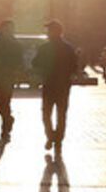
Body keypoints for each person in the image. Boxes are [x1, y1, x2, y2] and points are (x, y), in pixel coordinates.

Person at [33, 19, 76, 155]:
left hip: (49, 85)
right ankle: (57, 139)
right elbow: (74, 66)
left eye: (49, 30)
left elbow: (35, 63)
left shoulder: (45, 48)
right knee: (61, 114)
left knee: (46, 113)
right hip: (63, 86)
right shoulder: (68, 48)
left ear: (54, 32)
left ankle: (51, 136)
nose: (47, 32)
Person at [0, 19, 21, 140]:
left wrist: (15, 71)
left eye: (10, 28)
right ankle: (8, 119)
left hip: (9, 77)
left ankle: (5, 130)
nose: (8, 30)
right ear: (1, 29)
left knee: (6, 102)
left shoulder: (16, 44)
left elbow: (19, 60)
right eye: (5, 28)